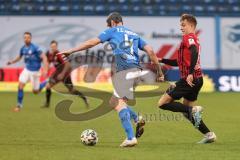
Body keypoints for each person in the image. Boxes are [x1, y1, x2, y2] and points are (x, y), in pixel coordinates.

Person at [60, 12, 164, 147]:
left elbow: (92, 42)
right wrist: (160, 72)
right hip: (137, 72)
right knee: (114, 102)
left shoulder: (112, 30)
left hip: (125, 71)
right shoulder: (134, 34)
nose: (108, 27)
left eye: (108, 25)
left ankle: (131, 137)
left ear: (113, 22)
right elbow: (150, 51)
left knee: (118, 104)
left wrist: (71, 50)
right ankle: (137, 119)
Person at [158, 14, 217, 144]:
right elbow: (178, 62)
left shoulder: (189, 38)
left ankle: (194, 110)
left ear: (191, 25)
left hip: (189, 79)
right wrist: (162, 60)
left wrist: (190, 73)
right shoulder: (193, 39)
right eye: (180, 25)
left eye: (183, 25)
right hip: (197, 79)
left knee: (162, 103)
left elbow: (194, 51)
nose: (181, 28)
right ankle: (209, 134)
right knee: (188, 113)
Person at [7, 32, 48, 112]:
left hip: (36, 72)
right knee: (20, 86)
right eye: (25, 37)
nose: (26, 39)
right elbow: (19, 57)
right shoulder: (23, 48)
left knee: (35, 91)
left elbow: (44, 57)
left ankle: (46, 82)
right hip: (27, 70)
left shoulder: (35, 48)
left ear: (31, 38)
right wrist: (12, 62)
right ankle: (19, 105)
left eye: (28, 37)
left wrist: (45, 69)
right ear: (23, 39)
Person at [39, 40, 89, 108]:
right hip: (57, 74)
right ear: (50, 47)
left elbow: (67, 64)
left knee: (72, 91)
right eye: (52, 46)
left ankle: (84, 98)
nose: (53, 48)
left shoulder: (59, 54)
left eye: (54, 46)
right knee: (48, 86)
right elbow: (48, 63)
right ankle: (47, 104)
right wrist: (45, 71)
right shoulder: (49, 54)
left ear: (56, 47)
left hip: (65, 74)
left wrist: (62, 74)